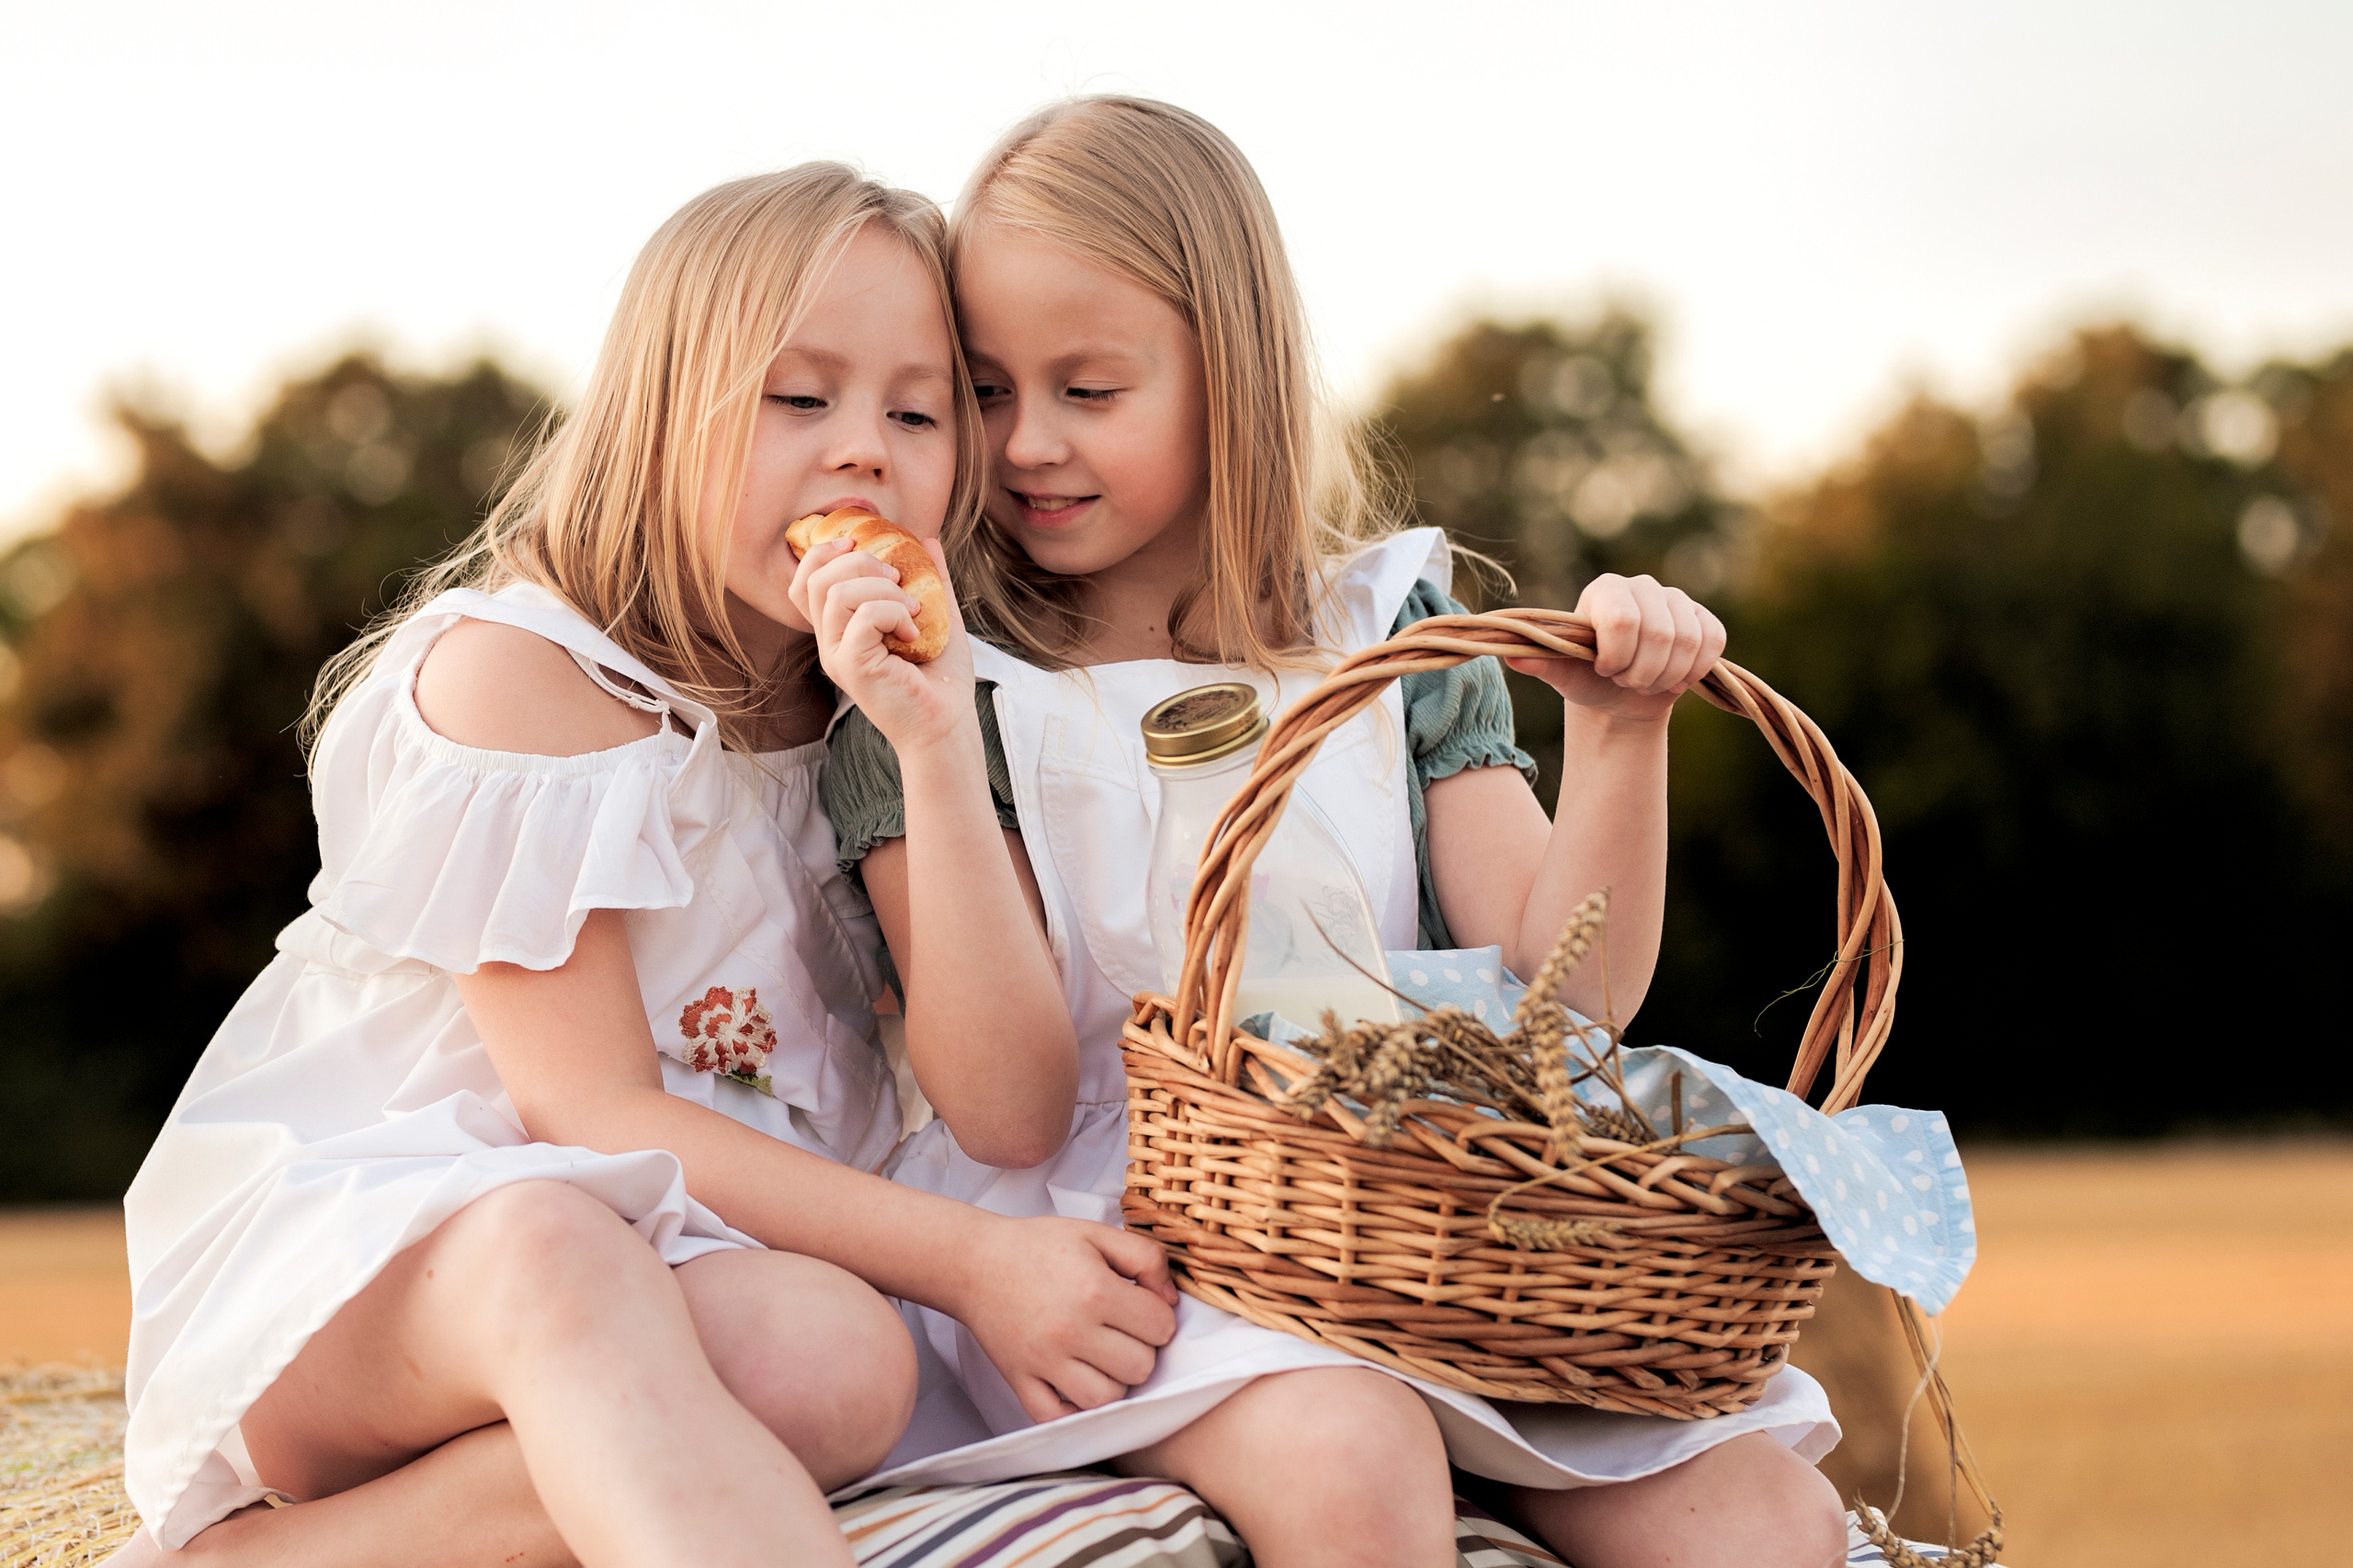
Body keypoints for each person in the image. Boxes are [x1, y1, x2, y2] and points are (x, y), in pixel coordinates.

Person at [802, 99, 1851, 1568]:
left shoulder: (1390, 628)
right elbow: (1008, 1110)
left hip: (1415, 1227)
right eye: (984, 391)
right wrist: (921, 740)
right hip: (1132, 1257)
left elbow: (1571, 1009)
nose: (1026, 442)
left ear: (1229, 376)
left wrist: (1621, 733)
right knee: (1353, 1457)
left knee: (1767, 1518)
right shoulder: (938, 678)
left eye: (1090, 389)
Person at [111, 163, 1175, 1568]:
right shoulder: (527, 678)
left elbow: (1015, 1104)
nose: (864, 450)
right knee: (558, 1240)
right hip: (372, 1279)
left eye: (917, 412)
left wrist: (926, 748)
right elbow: (591, 1111)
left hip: (658, 1266)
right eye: (800, 397)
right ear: (667, 407)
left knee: (845, 1362)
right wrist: (973, 1262)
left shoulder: (875, 716)